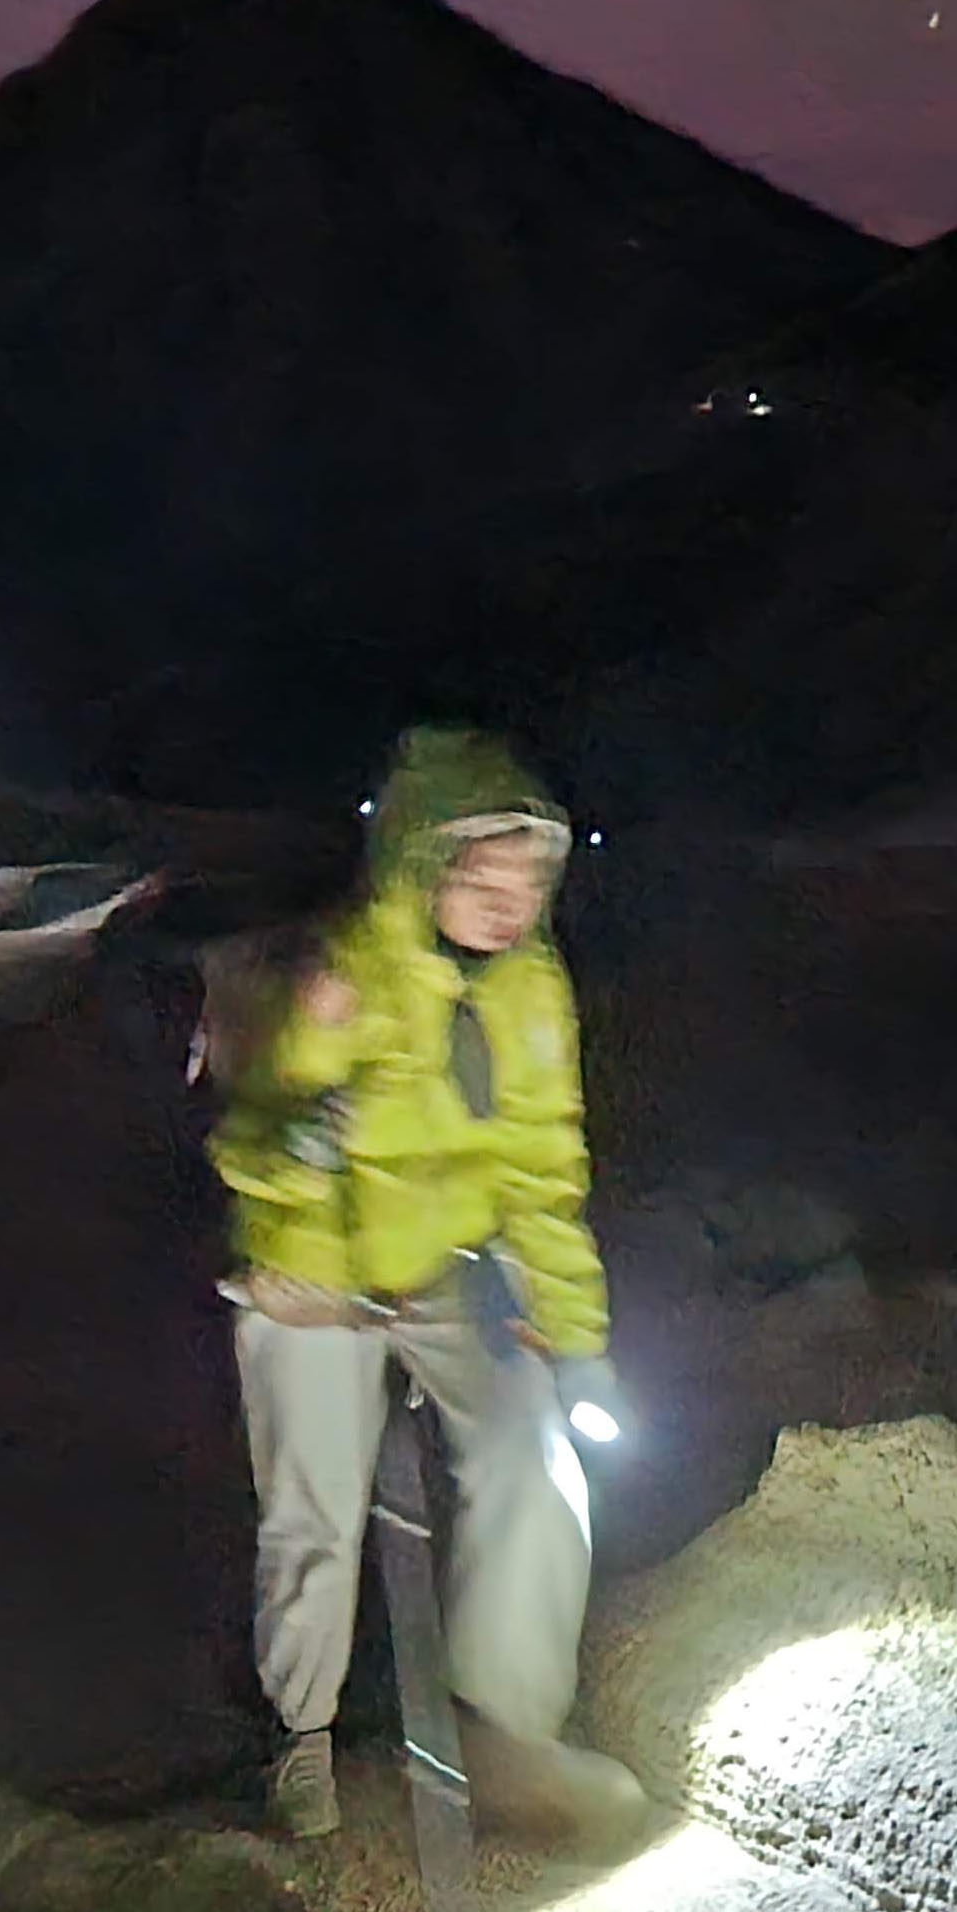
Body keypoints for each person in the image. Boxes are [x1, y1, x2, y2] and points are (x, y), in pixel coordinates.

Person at [207, 725, 645, 1853]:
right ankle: (300, 1736)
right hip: (313, 1263)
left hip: (447, 1270)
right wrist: (302, 1145)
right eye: (479, 870)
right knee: (314, 1508)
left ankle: (508, 1737)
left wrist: (575, 1335)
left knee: (536, 1454)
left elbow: (544, 1179)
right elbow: (252, 1142)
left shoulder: (535, 996)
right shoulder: (345, 973)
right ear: (419, 863)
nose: (508, 898)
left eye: (531, 874)